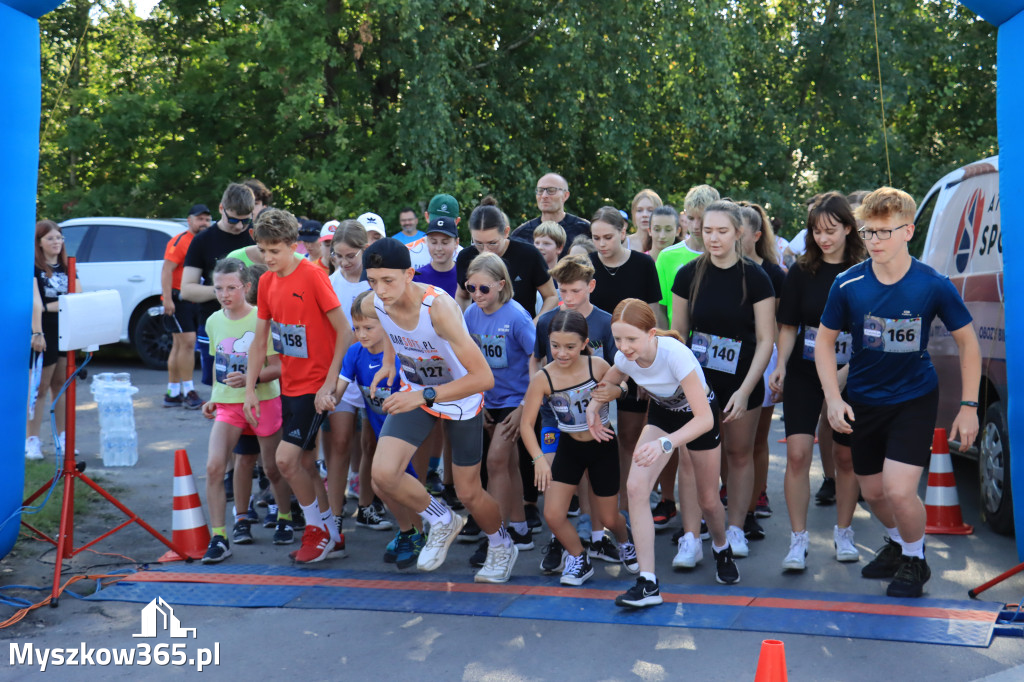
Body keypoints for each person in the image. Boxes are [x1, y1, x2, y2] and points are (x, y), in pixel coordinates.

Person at [816, 187, 980, 598]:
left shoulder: (933, 284)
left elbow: (969, 344)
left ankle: (915, 559)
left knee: (899, 490)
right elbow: (823, 343)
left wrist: (969, 406)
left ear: (908, 231)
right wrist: (834, 398)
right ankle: (897, 543)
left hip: (913, 398)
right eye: (869, 232)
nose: (874, 241)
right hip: (863, 400)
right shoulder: (847, 283)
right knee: (872, 492)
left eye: (884, 232)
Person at [360, 238, 518, 583]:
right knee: (384, 474)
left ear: (409, 274)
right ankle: (443, 519)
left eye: (388, 280)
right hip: (416, 392)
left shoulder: (438, 309)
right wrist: (389, 362)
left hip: (460, 398)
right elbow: (389, 328)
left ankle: (502, 543)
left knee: (468, 491)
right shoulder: (377, 303)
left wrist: (422, 396)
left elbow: (483, 378)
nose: (380, 290)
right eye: (373, 281)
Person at [588, 300, 736, 607]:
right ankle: (648, 582)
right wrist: (593, 405)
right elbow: (613, 378)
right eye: (618, 339)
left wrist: (666, 444)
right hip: (664, 413)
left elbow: (704, 419)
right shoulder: (624, 357)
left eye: (631, 339)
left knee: (708, 499)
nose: (624, 347)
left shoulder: (675, 355)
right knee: (636, 487)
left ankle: (722, 547)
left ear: (651, 333)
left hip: (699, 416)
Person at [243, 208, 353, 564]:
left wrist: (330, 384)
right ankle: (332, 535)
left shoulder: (313, 276)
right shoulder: (265, 282)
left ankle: (316, 531)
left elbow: (346, 332)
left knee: (285, 460)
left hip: (316, 387)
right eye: (263, 250)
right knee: (304, 463)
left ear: (294, 246)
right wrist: (248, 390)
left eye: (276, 250)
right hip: (289, 384)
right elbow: (260, 342)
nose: (269, 258)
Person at [671, 200, 776, 559]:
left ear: (738, 233)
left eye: (722, 231)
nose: (713, 238)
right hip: (697, 382)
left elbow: (766, 339)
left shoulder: (757, 277)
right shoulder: (687, 274)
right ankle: (690, 536)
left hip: (742, 381)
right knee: (689, 457)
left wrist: (747, 390)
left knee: (738, 453)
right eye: (708, 230)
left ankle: (736, 528)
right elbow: (680, 334)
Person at [769, 191, 867, 571]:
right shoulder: (800, 270)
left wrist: (846, 373)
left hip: (851, 372)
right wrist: (780, 364)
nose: (823, 238)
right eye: (816, 231)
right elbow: (789, 325)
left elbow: (870, 330)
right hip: (804, 372)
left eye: (831, 230)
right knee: (797, 454)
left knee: (845, 455)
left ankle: (844, 532)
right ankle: (798, 540)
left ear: (848, 228)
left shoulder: (864, 269)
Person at [521, 308, 638, 587]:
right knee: (552, 514)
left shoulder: (595, 366)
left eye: (570, 347)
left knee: (610, 516)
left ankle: (625, 541)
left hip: (603, 445)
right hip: (569, 447)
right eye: (555, 346)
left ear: (585, 344)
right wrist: (538, 458)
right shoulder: (543, 378)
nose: (561, 353)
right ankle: (578, 558)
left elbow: (624, 384)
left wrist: (617, 392)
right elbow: (527, 424)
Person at [323, 290, 426, 569]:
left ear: (387, 324)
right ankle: (408, 532)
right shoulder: (355, 352)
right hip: (381, 432)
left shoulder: (401, 354)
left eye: (369, 327)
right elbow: (340, 389)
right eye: (356, 328)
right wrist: (327, 397)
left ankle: (419, 534)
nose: (361, 334)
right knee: (381, 486)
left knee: (405, 485)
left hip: (405, 434)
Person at [531, 254, 619, 569]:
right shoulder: (546, 321)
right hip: (553, 416)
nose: (567, 298)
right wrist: (537, 386)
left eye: (575, 291)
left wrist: (609, 394)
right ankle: (561, 541)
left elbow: (616, 371)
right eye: (562, 290)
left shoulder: (606, 322)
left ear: (591, 286)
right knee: (555, 477)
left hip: (594, 419)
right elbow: (536, 358)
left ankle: (597, 536)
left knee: (594, 481)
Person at [199, 259, 289, 563]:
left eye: (231, 288)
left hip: (264, 401)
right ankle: (220, 536)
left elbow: (278, 367)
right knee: (215, 466)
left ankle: (286, 518)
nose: (225, 294)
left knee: (273, 468)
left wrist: (252, 378)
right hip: (228, 404)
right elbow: (218, 366)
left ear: (247, 287)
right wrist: (213, 396)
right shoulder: (213, 321)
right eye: (218, 288)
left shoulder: (262, 320)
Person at [587, 207, 662, 517]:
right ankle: (607, 502)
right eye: (595, 238)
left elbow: (655, 316)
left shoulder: (643, 264)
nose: (602, 244)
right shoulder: (588, 265)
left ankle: (633, 501)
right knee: (596, 432)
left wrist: (652, 366)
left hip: (636, 359)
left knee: (632, 433)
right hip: (596, 361)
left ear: (623, 232)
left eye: (608, 237)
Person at [463, 253, 537, 565]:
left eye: (484, 289)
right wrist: (477, 400)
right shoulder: (470, 315)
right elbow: (467, 360)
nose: (477, 295)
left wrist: (524, 407)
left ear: (501, 285)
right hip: (488, 400)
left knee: (495, 462)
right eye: (471, 287)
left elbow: (540, 362)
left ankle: (498, 535)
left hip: (516, 400)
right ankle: (520, 528)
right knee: (506, 465)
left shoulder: (517, 317)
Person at [735, 202, 786, 540]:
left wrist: (779, 367)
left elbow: (781, 324)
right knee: (727, 439)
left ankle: (755, 498)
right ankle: (731, 496)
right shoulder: (713, 268)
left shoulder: (774, 273)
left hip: (763, 358)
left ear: (755, 234)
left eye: (739, 232)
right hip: (724, 364)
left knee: (755, 439)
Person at [181, 183, 257, 389]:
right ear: (221, 208)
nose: (240, 226)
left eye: (245, 220)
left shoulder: (255, 237)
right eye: (233, 219)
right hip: (216, 327)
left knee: (257, 388)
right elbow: (187, 289)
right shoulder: (202, 241)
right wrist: (227, 291)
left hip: (254, 327)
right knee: (222, 391)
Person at [325, 220, 375, 531]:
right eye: (338, 256)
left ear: (365, 250)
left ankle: (367, 506)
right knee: (340, 442)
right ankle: (334, 516)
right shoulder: (329, 283)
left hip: (373, 371)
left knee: (371, 443)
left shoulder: (375, 282)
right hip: (341, 370)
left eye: (351, 256)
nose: (344, 262)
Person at [27, 220, 82, 461]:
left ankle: (62, 437)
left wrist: (54, 306)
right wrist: (37, 332)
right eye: (50, 238)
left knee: (62, 384)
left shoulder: (67, 267)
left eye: (59, 238)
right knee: (39, 387)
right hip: (44, 332)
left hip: (66, 331)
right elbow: (35, 303)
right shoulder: (33, 269)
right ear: (39, 242)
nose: (56, 242)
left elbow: (77, 297)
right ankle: (32, 440)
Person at [456, 202, 557, 318]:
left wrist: (533, 327)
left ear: (506, 232)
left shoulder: (528, 255)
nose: (485, 251)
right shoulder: (466, 257)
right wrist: (463, 327)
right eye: (478, 243)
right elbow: (462, 296)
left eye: (492, 243)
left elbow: (551, 297)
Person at [161, 204, 210, 409]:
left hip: (193, 298)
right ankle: (189, 391)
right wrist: (168, 299)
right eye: (200, 219)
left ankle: (173, 393)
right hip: (177, 298)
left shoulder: (203, 241)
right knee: (189, 342)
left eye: (207, 219)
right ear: (189, 220)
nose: (204, 223)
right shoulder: (181, 241)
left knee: (180, 345)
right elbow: (166, 270)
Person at [655, 185, 718, 327]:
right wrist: (669, 342)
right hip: (678, 341)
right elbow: (660, 308)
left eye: (701, 218)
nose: (696, 226)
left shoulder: (725, 257)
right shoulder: (667, 256)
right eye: (690, 218)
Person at [510, 172, 591, 258]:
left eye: (551, 190)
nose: (544, 196)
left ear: (565, 195)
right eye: (540, 191)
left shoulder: (584, 230)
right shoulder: (521, 234)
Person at [413, 216, 460, 297]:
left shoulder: (465, 276)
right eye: (434, 242)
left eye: (445, 242)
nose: (438, 248)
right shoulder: (417, 278)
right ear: (427, 242)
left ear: (456, 243)